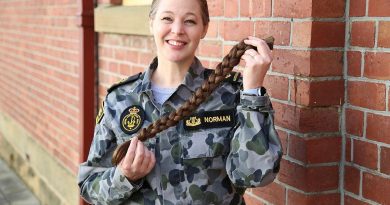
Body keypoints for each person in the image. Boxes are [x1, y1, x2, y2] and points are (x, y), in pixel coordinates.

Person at [78, 0, 283, 204]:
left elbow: (253, 175)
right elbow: (88, 184)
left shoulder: (231, 95)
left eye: (190, 21)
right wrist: (124, 176)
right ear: (151, 23)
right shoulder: (120, 100)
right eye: (167, 18)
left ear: (204, 28)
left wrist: (253, 93)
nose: (177, 30)